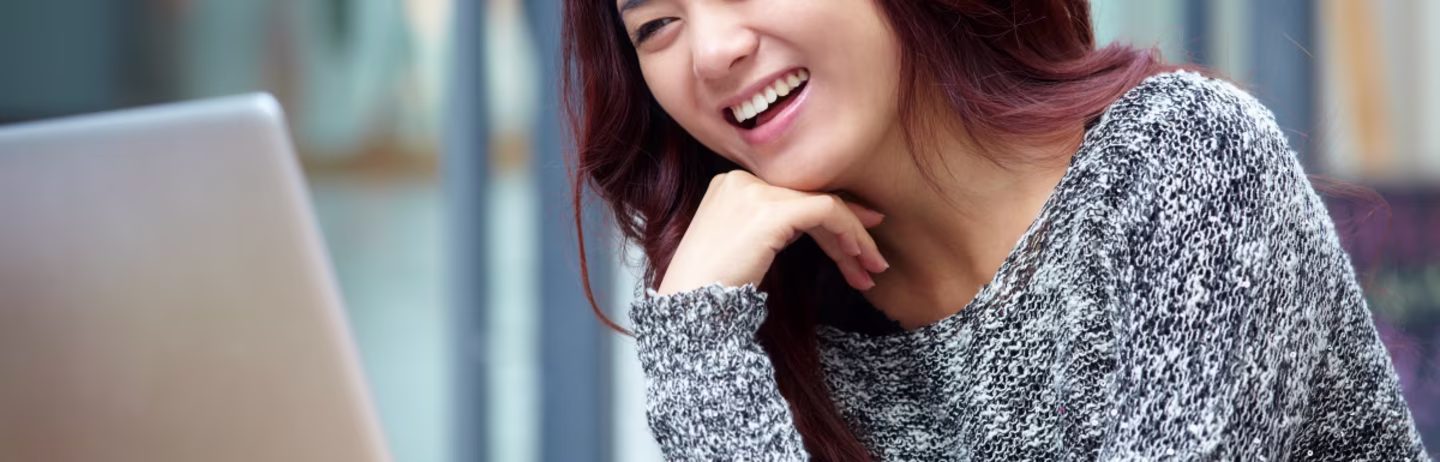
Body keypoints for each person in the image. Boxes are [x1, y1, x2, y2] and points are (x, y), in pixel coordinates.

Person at [562, 0, 1431, 460]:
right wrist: (698, 349)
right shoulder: (770, 321)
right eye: (656, 25)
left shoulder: (1183, 164)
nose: (712, 51)